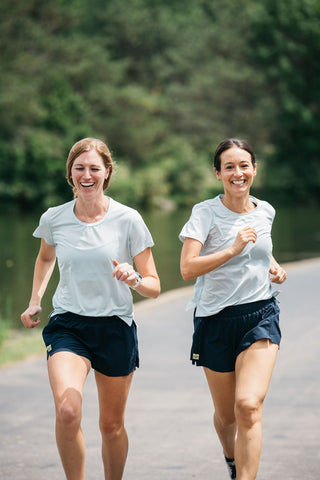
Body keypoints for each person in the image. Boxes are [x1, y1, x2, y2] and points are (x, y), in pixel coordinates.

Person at [21, 137, 160, 480]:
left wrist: (134, 279)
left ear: (107, 173)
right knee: (68, 412)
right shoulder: (55, 218)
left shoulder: (129, 219)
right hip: (69, 326)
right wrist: (36, 299)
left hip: (114, 327)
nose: (86, 175)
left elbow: (155, 286)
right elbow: (45, 257)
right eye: (79, 168)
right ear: (70, 174)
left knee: (111, 426)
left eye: (94, 168)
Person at [179, 138, 287, 480]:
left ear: (254, 169)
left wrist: (273, 264)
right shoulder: (205, 213)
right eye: (229, 167)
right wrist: (232, 249)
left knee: (248, 407)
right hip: (215, 319)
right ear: (218, 173)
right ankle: (232, 458)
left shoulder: (265, 210)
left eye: (244, 165)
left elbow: (260, 248)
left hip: (260, 315)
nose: (238, 173)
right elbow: (187, 269)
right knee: (226, 417)